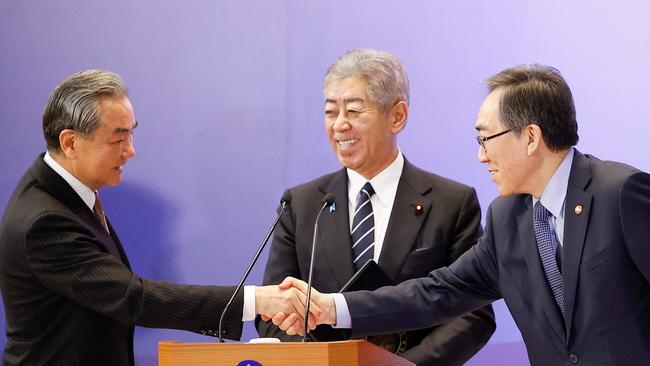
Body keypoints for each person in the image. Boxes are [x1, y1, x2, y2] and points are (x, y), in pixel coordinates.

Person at [277, 64, 650, 365]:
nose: (481, 155)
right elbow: (437, 293)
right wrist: (330, 307)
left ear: (531, 137)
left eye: (485, 139)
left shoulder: (620, 192)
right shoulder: (507, 218)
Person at [0, 69, 317, 366]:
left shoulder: (69, 195)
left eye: (131, 135)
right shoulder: (44, 222)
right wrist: (255, 300)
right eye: (118, 138)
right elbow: (132, 298)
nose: (131, 150)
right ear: (70, 142)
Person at [256, 48, 495, 365]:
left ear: (397, 116)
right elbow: (274, 311)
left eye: (353, 111)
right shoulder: (301, 204)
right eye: (331, 112)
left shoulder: (451, 203)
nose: (340, 125)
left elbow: (473, 315)